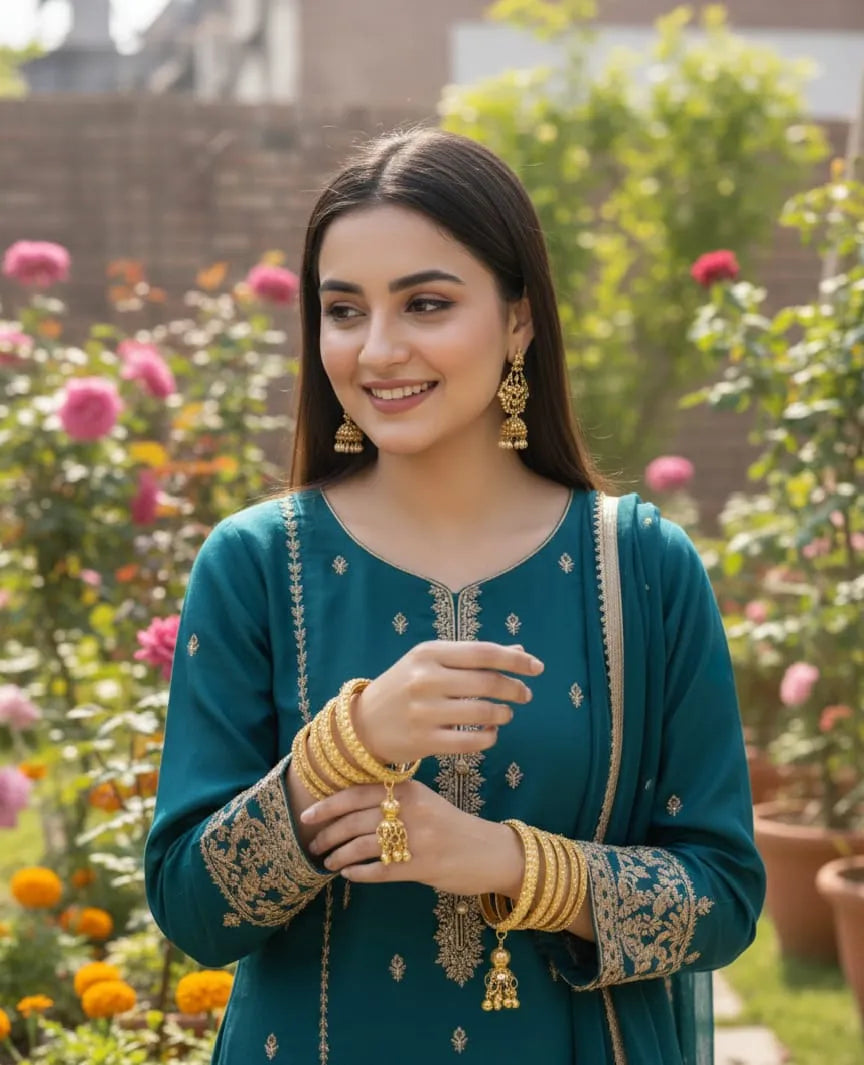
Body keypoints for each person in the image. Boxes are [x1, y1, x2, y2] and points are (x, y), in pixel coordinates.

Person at [144, 128, 765, 1065]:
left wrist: (511, 863)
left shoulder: (641, 566)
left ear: (519, 320)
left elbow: (722, 897)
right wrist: (346, 751)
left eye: (426, 303)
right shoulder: (255, 564)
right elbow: (195, 909)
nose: (379, 349)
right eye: (343, 310)